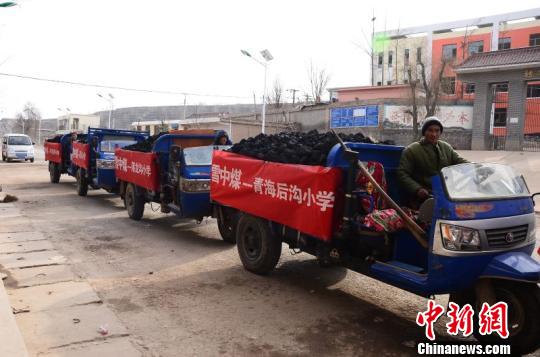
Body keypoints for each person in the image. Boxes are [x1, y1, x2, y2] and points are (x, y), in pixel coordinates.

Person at [397, 117, 468, 206]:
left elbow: (460, 162)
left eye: (437, 131)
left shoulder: (446, 148)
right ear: (424, 132)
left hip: (446, 195)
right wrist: (417, 189)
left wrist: (477, 167)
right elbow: (402, 173)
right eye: (430, 130)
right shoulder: (412, 150)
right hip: (422, 199)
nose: (434, 134)